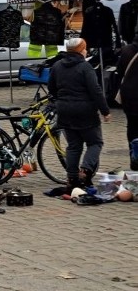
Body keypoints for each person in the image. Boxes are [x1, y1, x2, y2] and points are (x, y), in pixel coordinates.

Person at [48, 37, 112, 189]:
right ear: (80, 50)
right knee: (95, 142)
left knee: (73, 146)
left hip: (64, 110)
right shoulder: (85, 67)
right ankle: (86, 169)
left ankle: (72, 178)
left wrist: (60, 101)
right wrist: (105, 111)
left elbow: (51, 88)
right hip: (85, 111)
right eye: (84, 48)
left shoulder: (57, 65)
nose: (86, 50)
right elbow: (95, 91)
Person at [115, 32, 138, 170]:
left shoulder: (126, 50)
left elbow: (119, 71)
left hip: (129, 95)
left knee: (132, 126)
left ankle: (134, 157)